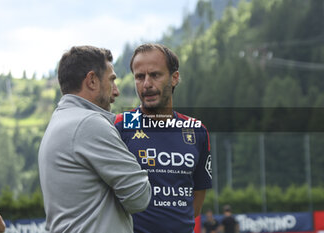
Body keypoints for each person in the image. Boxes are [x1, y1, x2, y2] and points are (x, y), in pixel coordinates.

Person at [38, 45, 152, 233]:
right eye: (111, 80)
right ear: (92, 80)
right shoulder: (89, 124)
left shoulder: (60, 120)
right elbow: (139, 197)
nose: (116, 91)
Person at [115, 43, 212, 233]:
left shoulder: (196, 130)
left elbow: (198, 197)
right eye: (139, 77)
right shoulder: (120, 126)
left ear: (174, 78)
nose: (147, 84)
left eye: (155, 75)